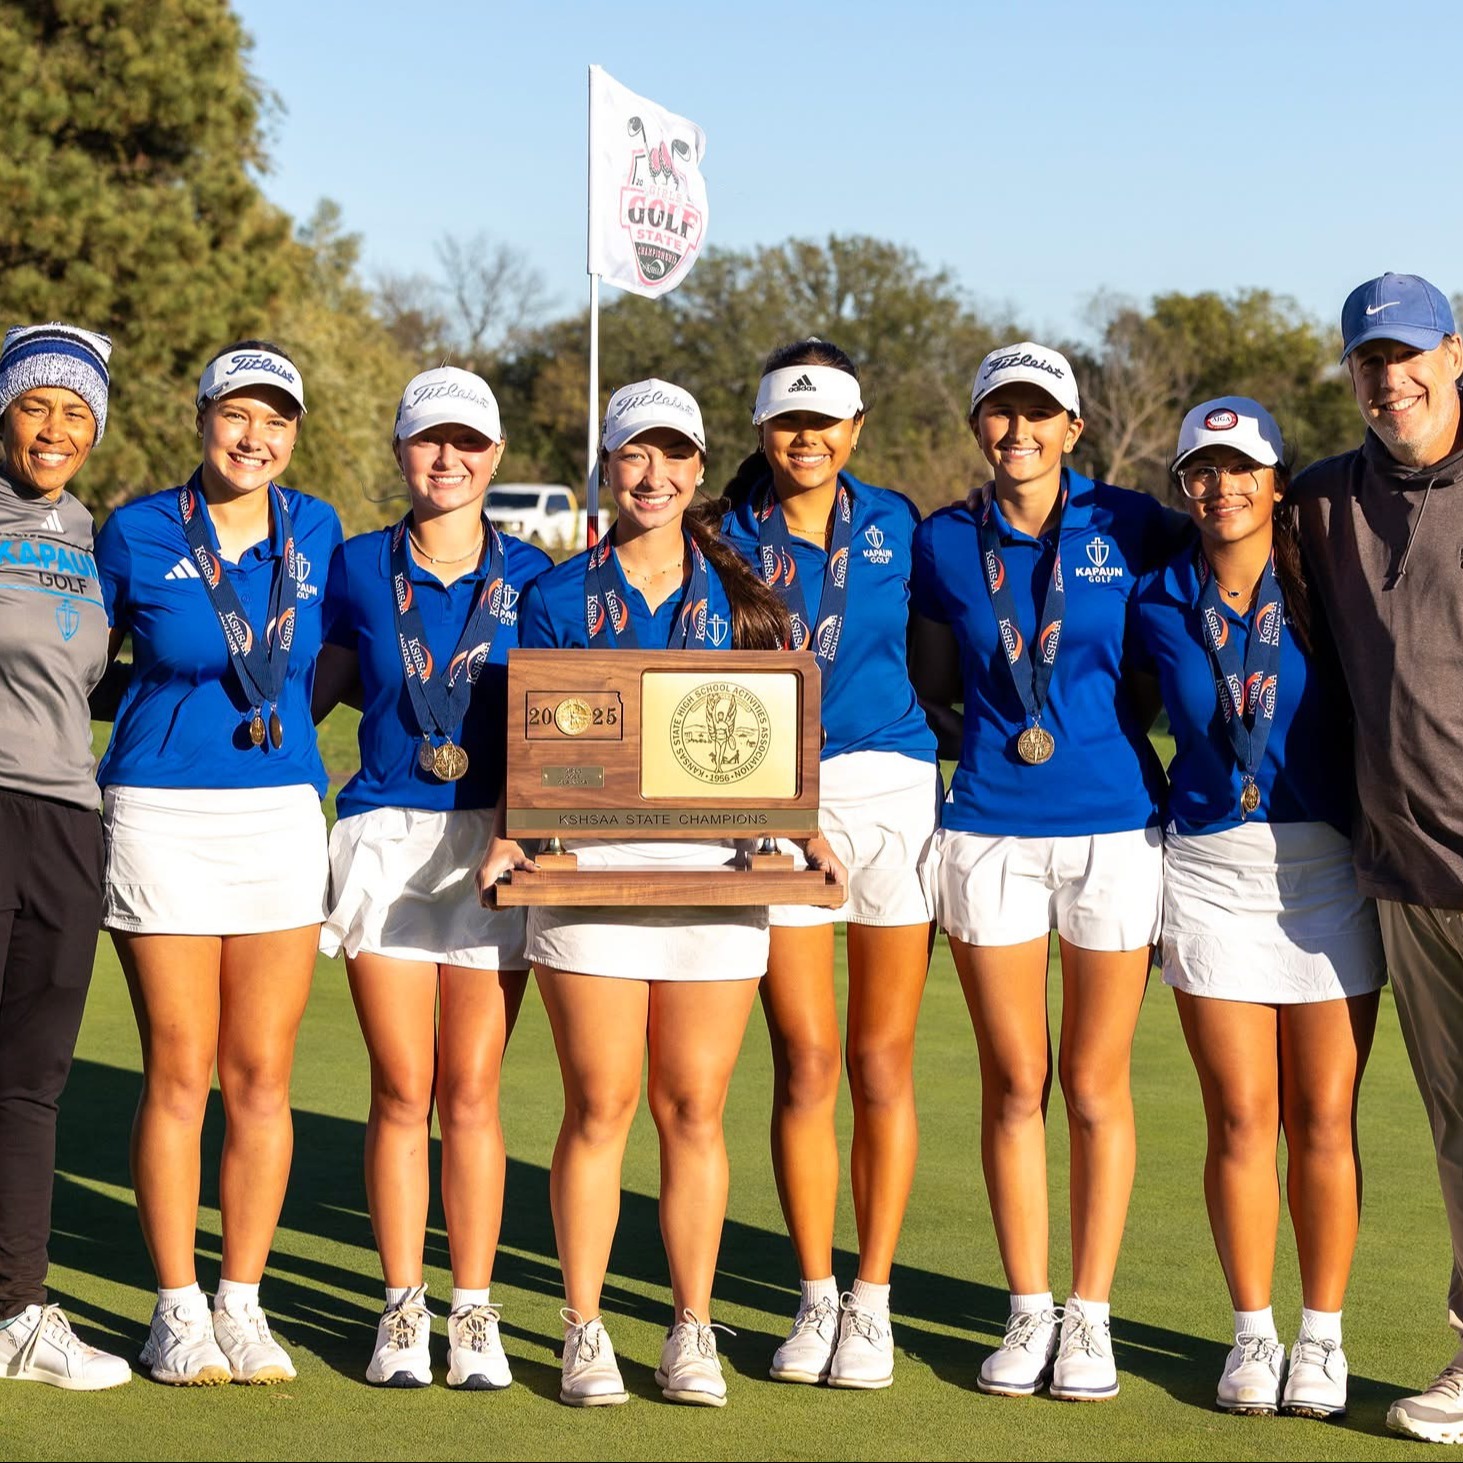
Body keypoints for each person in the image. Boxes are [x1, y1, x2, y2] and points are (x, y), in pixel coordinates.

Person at [476, 379, 842, 1409]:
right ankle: (583, 1327)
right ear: (608, 466)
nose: (652, 474)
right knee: (600, 1104)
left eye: (672, 456)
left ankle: (689, 1327)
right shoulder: (555, 594)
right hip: (590, 874)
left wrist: (808, 836)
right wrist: (513, 836)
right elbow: (537, 746)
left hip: (714, 878)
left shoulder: (744, 594)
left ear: (695, 470)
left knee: (693, 1108)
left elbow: (770, 749)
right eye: (633, 455)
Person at [910, 342, 1174, 1401]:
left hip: (1113, 828)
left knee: (1093, 1081)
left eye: (1038, 414)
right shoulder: (942, 540)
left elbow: (1159, 664)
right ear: (979, 426)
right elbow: (933, 679)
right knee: (1014, 1081)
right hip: (987, 830)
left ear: (1074, 428)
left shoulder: (1130, 524)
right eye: (999, 413)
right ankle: (1028, 1309)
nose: (1016, 431)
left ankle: (1091, 1315)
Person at [94, 340, 342, 1386]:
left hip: (281, 812)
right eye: (237, 415)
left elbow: (324, 660)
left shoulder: (317, 527)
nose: (255, 437)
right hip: (158, 808)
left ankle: (240, 1299)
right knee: (181, 1070)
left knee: (262, 1076)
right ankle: (175, 1308)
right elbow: (82, 659)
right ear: (201, 420)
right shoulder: (138, 528)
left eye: (275, 420)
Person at [1132, 397, 1384, 1418]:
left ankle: (1320, 1336)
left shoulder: (1329, 586)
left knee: (1322, 1114)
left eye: (1241, 469)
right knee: (1238, 1114)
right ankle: (1252, 1332)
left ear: (1275, 482)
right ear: (1182, 485)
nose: (1220, 486)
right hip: (1204, 870)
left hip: (1324, 870)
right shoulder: (1150, 599)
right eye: (1201, 469)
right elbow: (1109, 720)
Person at [314, 368, 550, 1388]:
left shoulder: (540, 574)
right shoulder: (356, 565)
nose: (445, 459)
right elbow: (299, 674)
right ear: (401, 452)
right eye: (426, 441)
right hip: (384, 830)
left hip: (495, 838)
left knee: (474, 1090)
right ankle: (402, 1306)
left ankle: (473, 1307)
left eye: (466, 442)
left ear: (495, 457)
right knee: (403, 1087)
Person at [716, 340, 940, 1389]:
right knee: (805, 1059)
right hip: (773, 797)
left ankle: (873, 1299)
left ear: (855, 429)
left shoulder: (898, 523)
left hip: (892, 789)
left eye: (824, 421)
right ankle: (814, 1295)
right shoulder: (717, 535)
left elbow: (940, 655)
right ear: (760, 429)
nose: (805, 439)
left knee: (880, 1061)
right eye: (785, 421)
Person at [1288, 274, 1463, 1444]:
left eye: (1407, 356)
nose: (1387, 380)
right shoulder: (1320, 503)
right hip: (1406, 871)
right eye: (1366, 361)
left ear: (1453, 355)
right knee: (1455, 1128)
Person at [0, 323, 131, 1390]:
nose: (56, 428)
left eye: (76, 412)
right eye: (38, 405)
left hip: (66, 820)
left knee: (32, 1082)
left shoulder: (88, 532)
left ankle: (15, 1310)